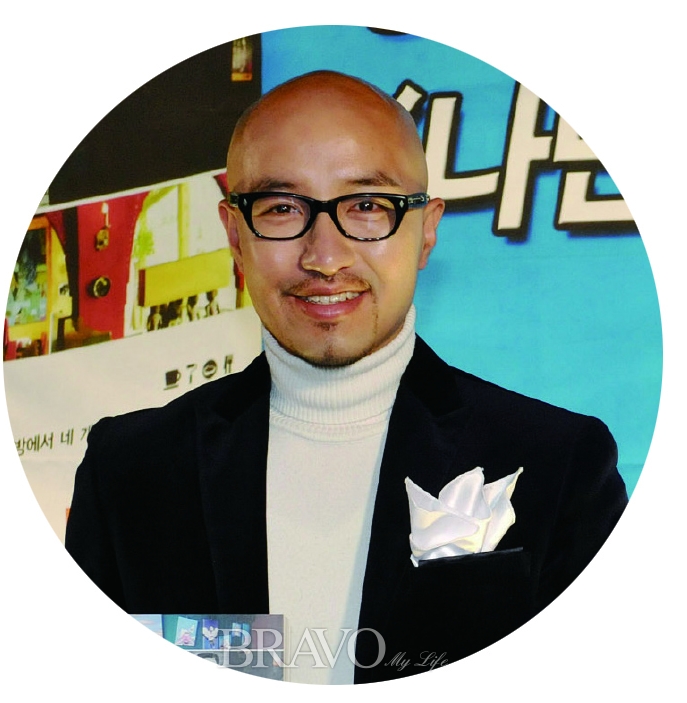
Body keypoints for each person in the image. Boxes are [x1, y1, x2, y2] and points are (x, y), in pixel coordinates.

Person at [65, 70, 628, 685]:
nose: (325, 258)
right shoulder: (131, 471)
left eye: (366, 207)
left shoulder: (557, 462)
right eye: (282, 209)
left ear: (427, 229)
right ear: (234, 234)